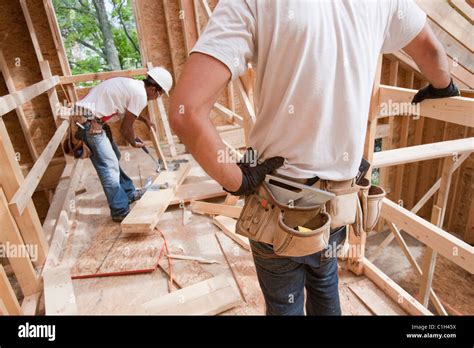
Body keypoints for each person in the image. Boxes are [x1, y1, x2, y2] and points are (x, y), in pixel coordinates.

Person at [168, 0, 459, 315]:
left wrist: (238, 180)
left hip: (276, 206)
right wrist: (444, 87)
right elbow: (431, 52)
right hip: (338, 204)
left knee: (285, 305)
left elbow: (187, 112)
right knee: (325, 285)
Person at [74, 67, 173, 222]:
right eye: (160, 95)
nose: (157, 98)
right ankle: (119, 210)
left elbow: (128, 109)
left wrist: (144, 120)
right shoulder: (140, 94)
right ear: (153, 89)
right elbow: (125, 129)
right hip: (91, 125)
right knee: (108, 165)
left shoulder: (134, 86)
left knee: (115, 156)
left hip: (94, 121)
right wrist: (133, 142)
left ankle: (129, 193)